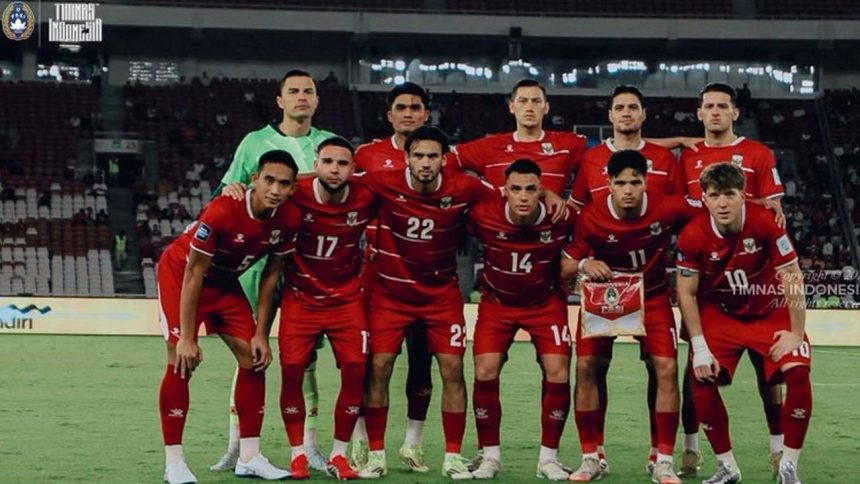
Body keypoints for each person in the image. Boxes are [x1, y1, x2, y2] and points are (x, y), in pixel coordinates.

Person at [224, 137, 374, 480]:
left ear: (353, 169)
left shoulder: (367, 195)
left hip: (346, 301)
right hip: (300, 300)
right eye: (328, 162)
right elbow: (261, 194)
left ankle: (339, 455)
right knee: (291, 371)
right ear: (316, 164)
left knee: (355, 370)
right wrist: (236, 188)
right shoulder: (294, 192)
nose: (334, 170)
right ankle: (298, 454)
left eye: (343, 164)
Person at [211, 69, 337, 473]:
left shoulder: (329, 145)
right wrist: (231, 188)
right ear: (280, 100)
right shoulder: (254, 142)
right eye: (293, 91)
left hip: (310, 264)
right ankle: (238, 444)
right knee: (248, 352)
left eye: (309, 91)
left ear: (316, 101)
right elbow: (229, 190)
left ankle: (309, 447)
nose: (302, 97)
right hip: (258, 262)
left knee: (306, 358)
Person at [358, 126, 501, 480]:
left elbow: (509, 195)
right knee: (379, 367)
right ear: (406, 158)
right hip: (391, 296)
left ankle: (452, 456)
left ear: (444, 159)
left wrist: (547, 194)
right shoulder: (382, 181)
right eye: (418, 156)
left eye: (432, 156)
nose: (425, 163)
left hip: (441, 297)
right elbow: (333, 180)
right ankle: (375, 454)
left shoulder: (464, 186)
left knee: (452, 369)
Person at [156, 150, 301, 484]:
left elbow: (271, 276)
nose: (275, 189)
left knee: (254, 358)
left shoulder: (289, 218)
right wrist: (187, 338)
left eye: (283, 183)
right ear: (254, 179)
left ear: (293, 188)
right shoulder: (223, 209)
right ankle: (174, 463)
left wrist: (261, 333)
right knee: (181, 360)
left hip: (224, 282)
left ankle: (249, 457)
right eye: (268, 180)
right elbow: (194, 272)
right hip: (182, 276)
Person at [560, 150, 700, 483]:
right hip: (604, 298)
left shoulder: (668, 207)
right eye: (620, 182)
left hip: (651, 297)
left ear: (646, 182)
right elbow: (564, 266)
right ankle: (591, 457)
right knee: (586, 366)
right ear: (608, 183)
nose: (628, 190)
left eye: (635, 182)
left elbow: (709, 215)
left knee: (666, 369)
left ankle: (661, 460)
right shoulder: (591, 217)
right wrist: (584, 264)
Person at [675, 163, 812, 484]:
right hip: (722, 313)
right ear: (704, 198)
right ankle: (727, 466)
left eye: (730, 194)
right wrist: (699, 347)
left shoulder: (765, 221)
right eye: (714, 195)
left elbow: (791, 275)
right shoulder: (692, 234)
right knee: (701, 377)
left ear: (743, 195)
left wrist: (796, 332)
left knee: (798, 373)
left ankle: (789, 465)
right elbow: (686, 292)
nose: (722, 203)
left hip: (770, 310)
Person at [678, 83, 786, 476]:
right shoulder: (688, 156)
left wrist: (756, 204)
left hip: (752, 276)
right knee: (696, 367)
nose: (716, 112)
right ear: (699, 113)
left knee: (767, 371)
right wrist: (676, 140)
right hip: (703, 275)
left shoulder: (758, 154)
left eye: (723, 106)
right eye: (709, 106)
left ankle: (777, 450)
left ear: (735, 113)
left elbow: (772, 211)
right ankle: (691, 448)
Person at [467, 159, 577, 480]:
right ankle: (489, 457)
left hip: (545, 304)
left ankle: (549, 459)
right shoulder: (482, 215)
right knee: (485, 370)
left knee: (558, 373)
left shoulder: (562, 217)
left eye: (531, 189)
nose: (524, 196)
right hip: (497, 305)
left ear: (542, 190)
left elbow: (587, 237)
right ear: (505, 191)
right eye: (516, 189)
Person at [351, 82, 441, 472]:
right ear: (390, 115)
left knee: (422, 363)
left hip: (426, 279)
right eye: (401, 107)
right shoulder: (366, 155)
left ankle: (412, 444)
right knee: (372, 363)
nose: (408, 113)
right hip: (377, 277)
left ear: (426, 114)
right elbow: (338, 186)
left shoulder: (440, 157)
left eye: (415, 107)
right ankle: (361, 440)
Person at [453, 79, 587, 195]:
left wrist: (574, 203)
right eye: (522, 101)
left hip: (549, 217)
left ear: (546, 108)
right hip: (499, 217)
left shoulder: (569, 144)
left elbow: (596, 166)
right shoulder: (489, 146)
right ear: (512, 107)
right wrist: (472, 189)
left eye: (536, 101)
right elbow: (444, 161)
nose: (529, 108)